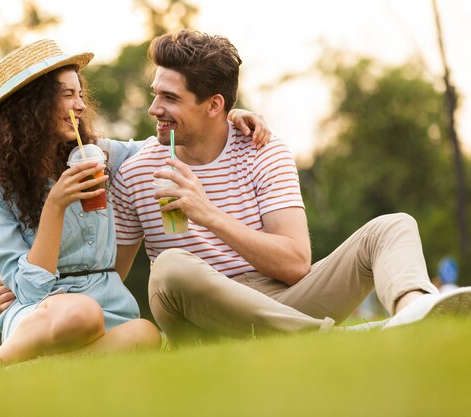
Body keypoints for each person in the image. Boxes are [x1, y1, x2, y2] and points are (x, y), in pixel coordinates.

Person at [0, 38, 267, 379]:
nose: (80, 104)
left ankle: (32, 372)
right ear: (33, 104)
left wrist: (227, 117)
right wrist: (55, 205)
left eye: (80, 93)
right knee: (79, 312)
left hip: (108, 302)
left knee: (145, 334)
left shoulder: (96, 155)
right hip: (44, 311)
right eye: (67, 95)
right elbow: (29, 289)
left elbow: (165, 141)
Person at [109, 29, 471, 346]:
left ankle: (414, 314)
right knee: (170, 267)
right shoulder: (138, 171)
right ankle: (335, 340)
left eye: (170, 98)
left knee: (393, 226)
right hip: (203, 317)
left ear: (214, 105)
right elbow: (113, 280)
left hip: (283, 301)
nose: (154, 108)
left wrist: (208, 215)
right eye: (156, 94)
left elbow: (296, 265)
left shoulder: (261, 150)